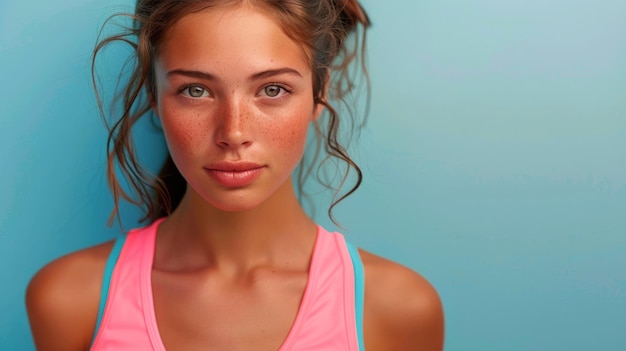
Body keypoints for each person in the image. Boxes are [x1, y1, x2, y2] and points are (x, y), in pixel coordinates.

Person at [26, 0, 444, 350]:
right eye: (196, 90)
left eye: (273, 89)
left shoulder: (398, 309)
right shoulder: (66, 299)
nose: (234, 133)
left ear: (320, 94)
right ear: (154, 96)